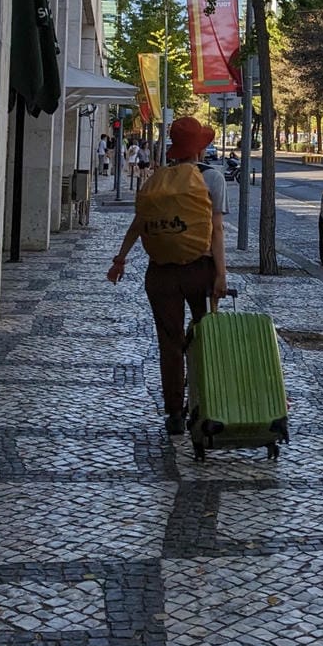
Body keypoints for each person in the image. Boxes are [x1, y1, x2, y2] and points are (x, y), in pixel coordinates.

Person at [106, 115, 228, 435]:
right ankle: (207, 404)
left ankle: (174, 413)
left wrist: (120, 260)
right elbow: (216, 230)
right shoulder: (212, 178)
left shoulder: (157, 179)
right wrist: (221, 276)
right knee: (206, 337)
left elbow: (139, 224)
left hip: (160, 273)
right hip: (199, 270)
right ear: (199, 149)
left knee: (169, 342)